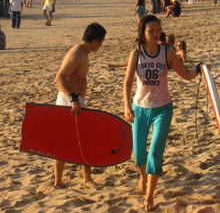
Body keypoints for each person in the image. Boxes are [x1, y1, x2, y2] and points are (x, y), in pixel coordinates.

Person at [124, 15, 205, 212]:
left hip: (163, 109)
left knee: (154, 154)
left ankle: (150, 195)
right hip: (140, 108)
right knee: (139, 155)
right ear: (142, 33)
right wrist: (126, 106)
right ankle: (143, 177)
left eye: (158, 29)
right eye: (151, 30)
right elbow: (126, 83)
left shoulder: (167, 53)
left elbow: (185, 74)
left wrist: (199, 68)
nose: (155, 33)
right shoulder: (136, 54)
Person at [54, 23, 107, 188]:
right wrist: (73, 99)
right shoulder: (77, 53)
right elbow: (59, 78)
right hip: (69, 100)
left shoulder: (84, 53)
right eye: (102, 42)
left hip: (75, 100)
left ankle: (85, 179)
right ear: (95, 41)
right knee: (68, 142)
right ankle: (60, 181)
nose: (101, 46)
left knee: (82, 140)